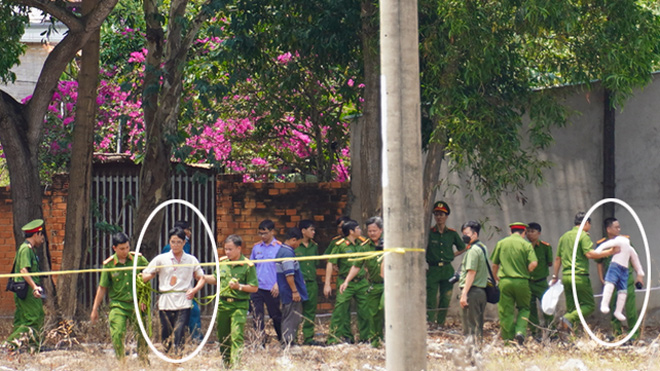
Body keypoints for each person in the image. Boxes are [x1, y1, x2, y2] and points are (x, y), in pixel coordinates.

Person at [141, 227, 206, 354]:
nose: (175, 245)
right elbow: (145, 274)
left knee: (179, 331)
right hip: (166, 302)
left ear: (184, 243)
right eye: (173, 242)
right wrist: (147, 276)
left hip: (184, 301)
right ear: (169, 242)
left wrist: (194, 290)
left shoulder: (191, 260)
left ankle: (178, 358)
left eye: (178, 242)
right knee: (166, 333)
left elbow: (201, 277)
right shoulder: (161, 259)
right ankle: (167, 356)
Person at [551, 212, 619, 331]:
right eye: (589, 224)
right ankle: (566, 318)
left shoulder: (564, 236)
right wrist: (609, 252)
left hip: (566, 276)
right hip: (579, 276)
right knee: (589, 305)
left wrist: (555, 276)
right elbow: (589, 254)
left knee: (573, 308)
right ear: (586, 223)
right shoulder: (583, 236)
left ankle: (572, 336)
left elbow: (558, 258)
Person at [91, 232, 149, 363]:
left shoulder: (137, 259)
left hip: (136, 303)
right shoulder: (109, 265)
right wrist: (95, 309)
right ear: (114, 248)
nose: (125, 251)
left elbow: (150, 273)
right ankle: (121, 362)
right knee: (117, 333)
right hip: (118, 305)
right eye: (122, 249)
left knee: (142, 333)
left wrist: (144, 299)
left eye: (127, 247)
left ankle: (144, 360)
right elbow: (102, 287)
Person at [205, 235, 257, 367]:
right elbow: (216, 279)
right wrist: (202, 277)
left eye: (230, 249)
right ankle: (226, 363)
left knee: (236, 335)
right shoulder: (222, 263)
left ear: (239, 248)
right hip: (222, 305)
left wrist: (239, 287)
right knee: (223, 336)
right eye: (225, 249)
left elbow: (254, 287)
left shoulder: (247, 265)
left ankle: (235, 365)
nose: (227, 252)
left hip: (239, 305)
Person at [339, 216, 385, 347]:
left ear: (381, 230)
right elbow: (356, 266)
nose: (372, 233)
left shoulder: (389, 244)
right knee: (372, 314)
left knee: (383, 307)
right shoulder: (364, 247)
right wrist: (347, 281)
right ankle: (376, 340)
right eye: (369, 231)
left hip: (388, 285)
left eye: (374, 231)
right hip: (374, 285)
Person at [491, 222, 538, 344]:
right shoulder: (526, 245)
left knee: (506, 311)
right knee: (524, 307)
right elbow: (534, 263)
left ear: (510, 232)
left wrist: (495, 276)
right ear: (524, 233)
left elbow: (495, 264)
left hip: (505, 281)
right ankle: (520, 331)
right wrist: (525, 270)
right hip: (522, 281)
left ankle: (508, 340)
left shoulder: (502, 243)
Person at [596, 218, 642, 340]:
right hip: (611, 280)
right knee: (613, 308)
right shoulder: (602, 243)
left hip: (626, 278)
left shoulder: (625, 241)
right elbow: (599, 262)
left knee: (630, 308)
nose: (619, 229)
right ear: (608, 229)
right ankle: (617, 334)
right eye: (616, 227)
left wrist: (639, 275)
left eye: (619, 227)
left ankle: (634, 335)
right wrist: (602, 278)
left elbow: (634, 257)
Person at [325, 220, 370, 344]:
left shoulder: (362, 243)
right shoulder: (340, 245)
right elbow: (331, 262)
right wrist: (327, 283)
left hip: (361, 282)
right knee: (340, 311)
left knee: (365, 311)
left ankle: (365, 338)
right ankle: (334, 339)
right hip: (345, 282)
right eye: (358, 228)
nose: (360, 230)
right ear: (351, 231)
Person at [5, 219, 46, 351]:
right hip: (28, 291)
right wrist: (35, 287)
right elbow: (24, 270)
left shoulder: (30, 250)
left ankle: (16, 348)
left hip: (26, 289)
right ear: (36, 235)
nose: (43, 239)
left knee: (21, 321)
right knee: (34, 318)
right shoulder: (25, 249)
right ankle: (9, 345)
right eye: (42, 235)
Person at [426, 201, 467, 326]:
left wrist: (451, 256)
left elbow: (463, 247)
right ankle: (431, 322)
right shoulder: (429, 232)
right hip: (433, 269)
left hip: (447, 269)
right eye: (436, 214)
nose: (439, 217)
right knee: (431, 298)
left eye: (442, 214)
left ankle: (441, 322)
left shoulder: (452, 233)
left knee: (446, 297)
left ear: (447, 216)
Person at [162, 220, 202, 342]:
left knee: (192, 311)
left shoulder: (186, 245)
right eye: (188, 230)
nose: (190, 232)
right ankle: (188, 338)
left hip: (184, 286)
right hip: (174, 288)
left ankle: (192, 337)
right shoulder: (169, 248)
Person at [249, 219, 283, 345]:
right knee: (257, 316)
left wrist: (277, 284)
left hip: (272, 287)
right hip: (258, 287)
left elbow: (283, 268)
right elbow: (252, 266)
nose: (263, 236)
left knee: (275, 315)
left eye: (265, 233)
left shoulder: (279, 248)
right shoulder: (256, 247)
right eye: (260, 234)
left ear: (272, 232)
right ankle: (260, 342)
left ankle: (282, 339)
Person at [276, 228, 309, 346]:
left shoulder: (282, 250)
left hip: (286, 291)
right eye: (298, 242)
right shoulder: (287, 253)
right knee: (291, 317)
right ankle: (288, 343)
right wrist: (295, 291)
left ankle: (288, 341)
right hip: (290, 292)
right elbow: (289, 274)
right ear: (293, 240)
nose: (298, 245)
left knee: (288, 316)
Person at [458, 220, 489, 343]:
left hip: (472, 292)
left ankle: (471, 354)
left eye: (467, 233)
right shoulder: (482, 247)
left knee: (469, 328)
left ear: (475, 234)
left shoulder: (472, 250)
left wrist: (464, 294)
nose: (464, 236)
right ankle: (478, 352)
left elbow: (472, 272)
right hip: (481, 292)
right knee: (478, 326)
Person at [525, 222, 554, 337]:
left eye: (532, 232)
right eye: (528, 232)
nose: (530, 235)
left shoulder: (545, 247)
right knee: (530, 308)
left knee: (547, 307)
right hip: (528, 282)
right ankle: (534, 331)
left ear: (539, 233)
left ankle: (551, 331)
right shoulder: (524, 247)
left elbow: (550, 262)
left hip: (541, 282)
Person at [295, 220, 320, 345]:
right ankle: (292, 338)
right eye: (311, 230)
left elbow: (316, 264)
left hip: (311, 283)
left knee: (310, 310)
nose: (313, 232)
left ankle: (308, 337)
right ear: (303, 231)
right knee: (296, 311)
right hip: (298, 284)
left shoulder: (314, 246)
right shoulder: (295, 246)